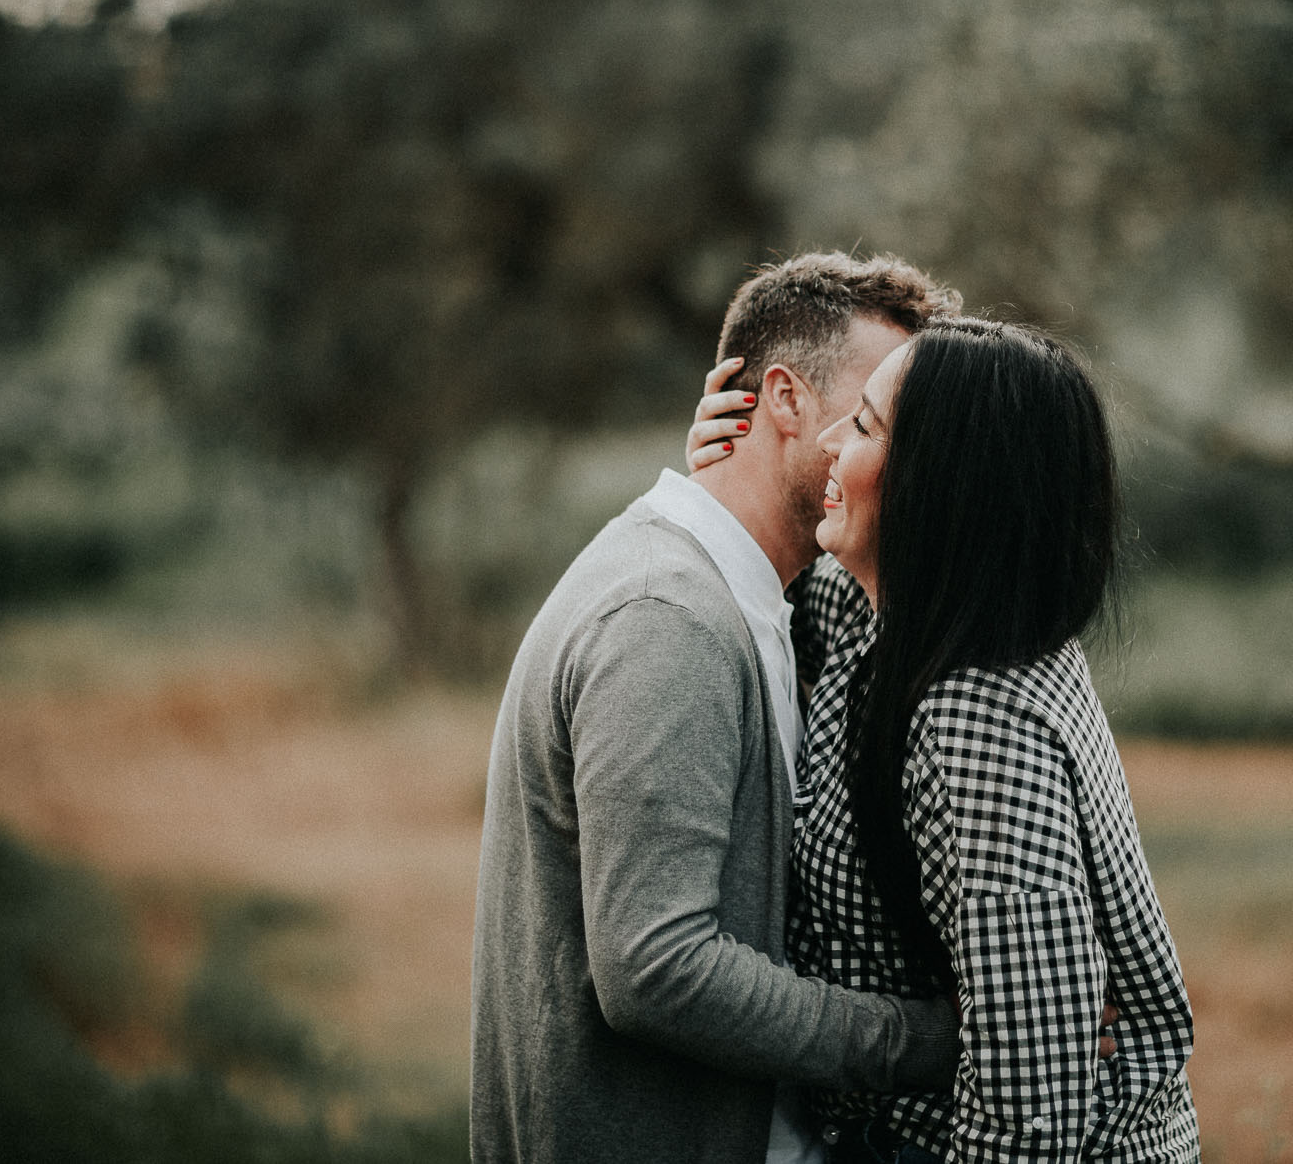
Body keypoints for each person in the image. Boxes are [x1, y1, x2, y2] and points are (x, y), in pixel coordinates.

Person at [470, 253, 967, 1164]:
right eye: (869, 416)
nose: (896, 455)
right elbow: (656, 967)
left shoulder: (761, 597)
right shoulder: (670, 621)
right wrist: (932, 1041)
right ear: (784, 399)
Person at [688, 317, 1200, 1163]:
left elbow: (1025, 1112)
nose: (827, 439)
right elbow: (784, 589)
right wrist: (724, 476)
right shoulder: (892, 615)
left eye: (861, 425)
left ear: (937, 482)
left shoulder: (980, 725)